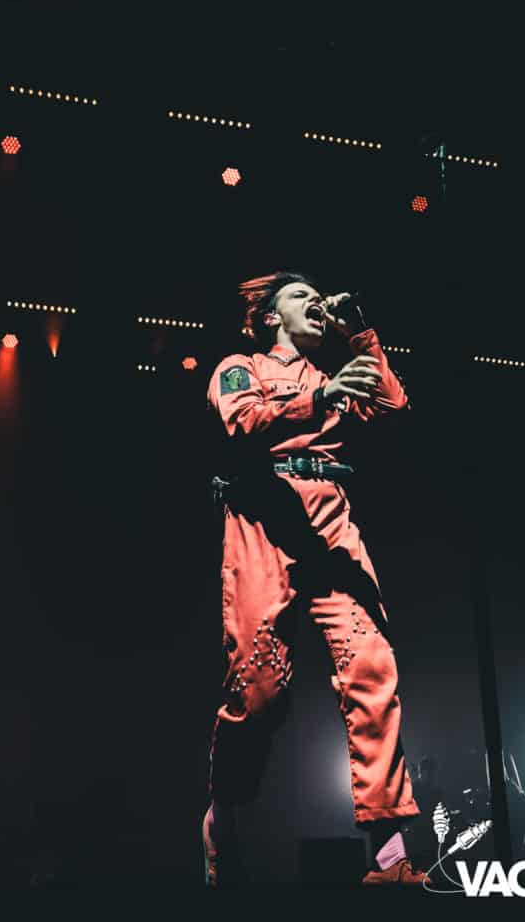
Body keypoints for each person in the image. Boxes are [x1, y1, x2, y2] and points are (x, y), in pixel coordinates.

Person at [202, 271, 428, 887]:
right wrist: (321, 398)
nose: (316, 304)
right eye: (301, 297)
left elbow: (395, 408)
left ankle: (389, 857)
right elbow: (242, 421)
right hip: (263, 514)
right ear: (271, 317)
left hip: (329, 519)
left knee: (372, 668)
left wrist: (361, 335)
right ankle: (224, 818)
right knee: (258, 690)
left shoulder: (337, 372)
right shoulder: (240, 366)